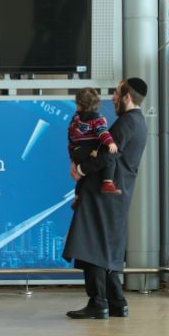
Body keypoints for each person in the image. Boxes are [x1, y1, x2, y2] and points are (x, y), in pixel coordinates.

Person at [63, 77, 148, 320]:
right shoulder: (138, 122)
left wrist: (80, 169)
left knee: (92, 247)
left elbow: (107, 157)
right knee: (106, 247)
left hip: (103, 195)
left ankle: (98, 302)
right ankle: (117, 302)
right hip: (116, 195)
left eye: (116, 94)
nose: (112, 98)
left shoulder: (126, 123)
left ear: (127, 97)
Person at [67, 87, 120, 207]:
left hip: (77, 152)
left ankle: (77, 198)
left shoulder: (75, 119)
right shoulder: (98, 119)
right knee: (110, 157)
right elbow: (102, 133)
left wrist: (72, 159)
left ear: (78, 104)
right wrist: (110, 143)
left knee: (82, 176)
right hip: (90, 149)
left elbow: (70, 138)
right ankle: (108, 182)